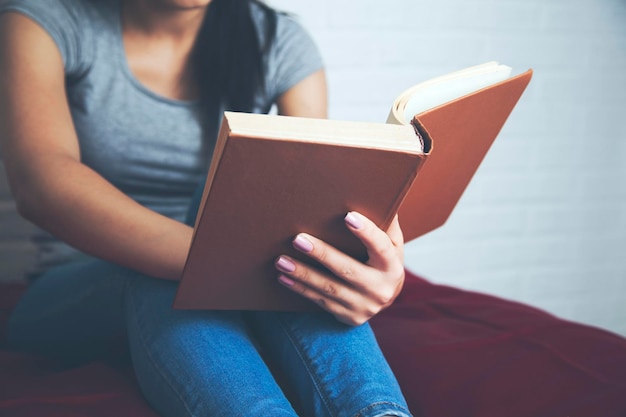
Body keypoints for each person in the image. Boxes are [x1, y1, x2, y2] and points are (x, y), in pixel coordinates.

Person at [0, 0, 412, 415]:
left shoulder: (278, 40)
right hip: (76, 288)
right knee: (157, 272)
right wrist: (233, 264)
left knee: (259, 215)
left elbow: (313, 198)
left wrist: (358, 266)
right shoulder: (46, 20)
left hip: (229, 270)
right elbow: (41, 184)